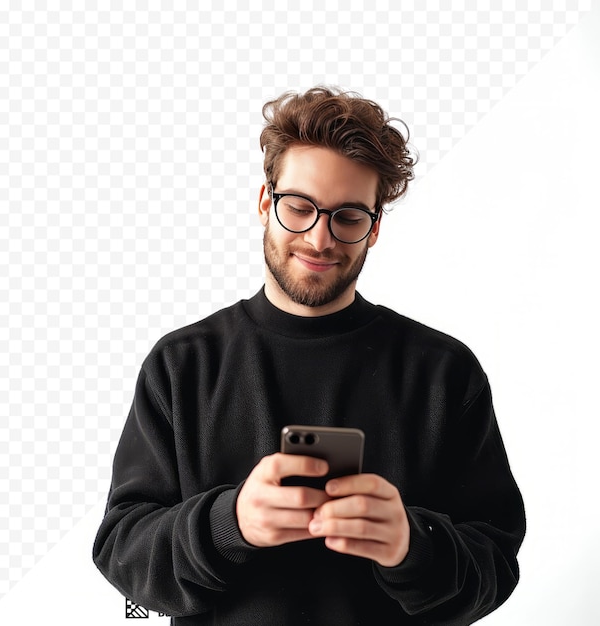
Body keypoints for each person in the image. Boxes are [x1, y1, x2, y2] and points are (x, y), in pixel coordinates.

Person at [93, 86, 525, 625]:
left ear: (375, 228)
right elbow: (120, 550)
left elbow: (496, 567)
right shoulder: (182, 364)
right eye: (299, 207)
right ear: (264, 203)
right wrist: (230, 524)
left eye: (348, 216)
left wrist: (413, 546)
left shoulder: (444, 372)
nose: (320, 239)